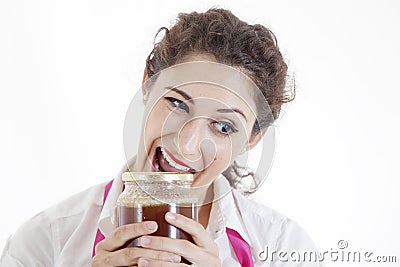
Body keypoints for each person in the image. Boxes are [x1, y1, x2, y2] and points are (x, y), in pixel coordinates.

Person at [0, 8, 321, 267]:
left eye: (224, 127)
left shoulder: (283, 249)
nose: (187, 143)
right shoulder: (46, 241)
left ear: (252, 138)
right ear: (147, 84)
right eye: (178, 104)